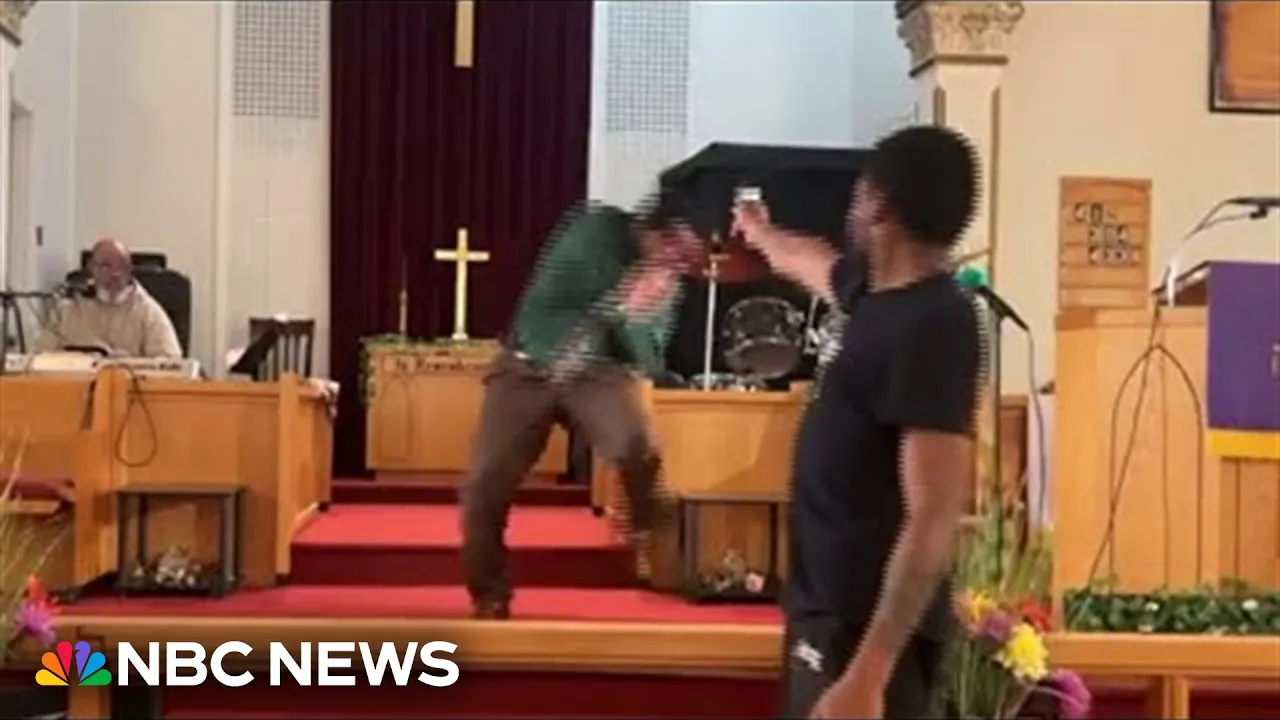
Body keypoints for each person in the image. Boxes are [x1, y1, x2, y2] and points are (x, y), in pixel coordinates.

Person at [732, 125, 984, 719]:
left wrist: (869, 675)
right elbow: (813, 263)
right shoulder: (873, 296)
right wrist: (760, 232)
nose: (851, 208)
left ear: (880, 205)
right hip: (825, 618)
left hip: (863, 639)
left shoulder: (934, 322)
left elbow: (934, 515)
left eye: (859, 193)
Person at [461, 194, 702, 620]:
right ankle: (489, 593)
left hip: (597, 371)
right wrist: (622, 303)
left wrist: (635, 315)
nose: (681, 260)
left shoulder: (669, 279)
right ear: (656, 228)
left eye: (686, 254)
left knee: (635, 446)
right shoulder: (595, 228)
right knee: (484, 482)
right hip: (528, 364)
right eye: (677, 246)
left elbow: (647, 357)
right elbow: (552, 305)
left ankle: (648, 533)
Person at [35, 238, 182, 359]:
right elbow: (39, 358)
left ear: (130, 271)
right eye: (106, 266)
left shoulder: (148, 312)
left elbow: (171, 361)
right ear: (92, 268)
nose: (114, 274)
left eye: (121, 267)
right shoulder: (67, 310)